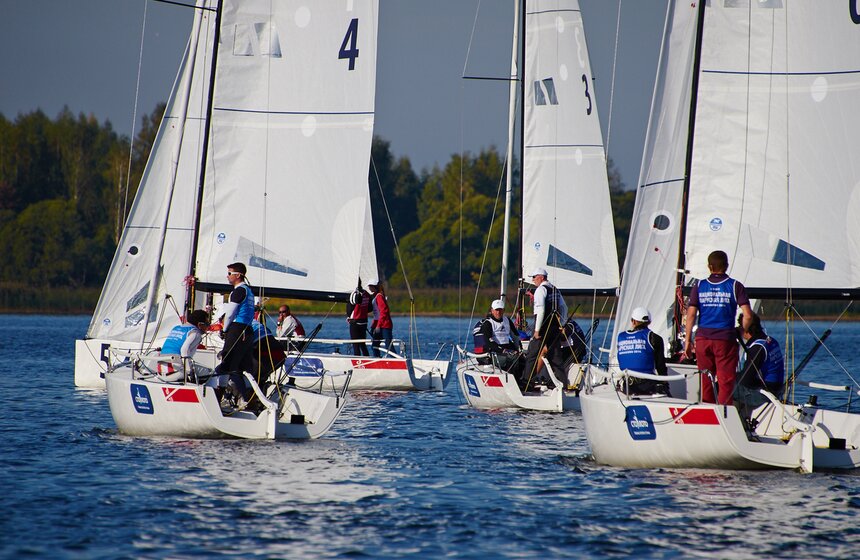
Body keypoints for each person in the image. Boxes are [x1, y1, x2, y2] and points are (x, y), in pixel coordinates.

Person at [683, 250, 753, 405]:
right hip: (725, 340)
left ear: (709, 266)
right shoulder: (735, 286)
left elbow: (691, 315)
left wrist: (688, 340)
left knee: (706, 380)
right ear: (727, 266)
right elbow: (748, 315)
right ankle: (724, 414)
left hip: (702, 339)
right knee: (725, 381)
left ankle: (708, 413)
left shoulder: (699, 285)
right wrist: (742, 331)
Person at [215, 262, 256, 406]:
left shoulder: (238, 291)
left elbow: (231, 313)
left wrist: (225, 329)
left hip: (238, 329)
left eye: (229, 273)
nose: (227, 276)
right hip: (247, 331)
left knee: (227, 364)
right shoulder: (249, 291)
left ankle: (218, 396)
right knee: (242, 367)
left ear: (238, 275)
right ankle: (245, 400)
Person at [522, 267, 568, 390]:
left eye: (534, 277)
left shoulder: (540, 290)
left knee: (532, 355)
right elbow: (564, 308)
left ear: (541, 277)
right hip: (554, 327)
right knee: (556, 357)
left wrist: (537, 331)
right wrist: (562, 325)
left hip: (542, 327)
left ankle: (527, 384)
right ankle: (564, 386)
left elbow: (541, 309)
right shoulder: (555, 289)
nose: (533, 280)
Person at [734, 313, 785, 420]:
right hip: (776, 389)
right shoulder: (770, 340)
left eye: (740, 326)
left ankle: (732, 421)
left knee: (721, 386)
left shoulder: (757, 348)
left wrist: (728, 376)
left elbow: (745, 380)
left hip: (764, 394)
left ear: (746, 328)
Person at [616, 307, 669, 396]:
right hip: (647, 384)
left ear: (633, 321)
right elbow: (660, 366)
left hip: (627, 385)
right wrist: (665, 383)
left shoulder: (621, 337)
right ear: (649, 322)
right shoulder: (655, 338)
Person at [158, 309, 210, 380]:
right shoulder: (195, 333)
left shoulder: (176, 328)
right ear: (199, 325)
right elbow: (184, 350)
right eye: (207, 324)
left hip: (161, 369)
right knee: (209, 372)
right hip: (175, 370)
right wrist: (189, 372)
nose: (208, 327)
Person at [478, 298, 523, 374]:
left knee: (524, 359)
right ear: (492, 310)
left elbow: (515, 336)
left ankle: (525, 381)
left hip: (507, 350)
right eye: (496, 310)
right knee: (513, 358)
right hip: (494, 353)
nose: (498, 312)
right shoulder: (488, 323)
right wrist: (504, 350)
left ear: (504, 310)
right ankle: (512, 378)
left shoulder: (507, 320)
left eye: (500, 310)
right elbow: (489, 342)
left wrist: (519, 349)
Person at [346, 279, 371, 356]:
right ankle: (367, 359)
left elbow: (350, 306)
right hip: (364, 322)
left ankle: (358, 363)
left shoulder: (354, 294)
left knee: (355, 345)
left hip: (355, 322)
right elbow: (370, 307)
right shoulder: (366, 293)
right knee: (363, 344)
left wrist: (348, 316)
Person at [369, 281, 393, 358]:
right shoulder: (376, 296)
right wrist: (373, 326)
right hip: (379, 325)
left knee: (388, 346)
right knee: (375, 345)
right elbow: (376, 315)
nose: (369, 288)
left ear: (374, 287)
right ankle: (378, 360)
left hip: (385, 325)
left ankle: (396, 361)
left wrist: (378, 325)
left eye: (370, 286)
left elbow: (384, 311)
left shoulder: (379, 296)